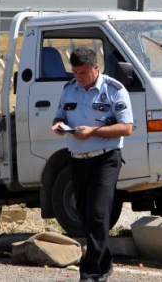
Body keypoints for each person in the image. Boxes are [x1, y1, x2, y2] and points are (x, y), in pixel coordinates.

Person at [51, 47, 133, 282]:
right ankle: (104, 262)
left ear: (96, 68)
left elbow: (126, 127)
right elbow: (59, 116)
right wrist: (58, 126)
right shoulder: (69, 89)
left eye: (84, 73)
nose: (79, 77)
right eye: (76, 72)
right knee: (85, 217)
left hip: (105, 159)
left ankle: (91, 273)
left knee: (98, 214)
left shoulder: (114, 90)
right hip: (77, 160)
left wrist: (94, 131)